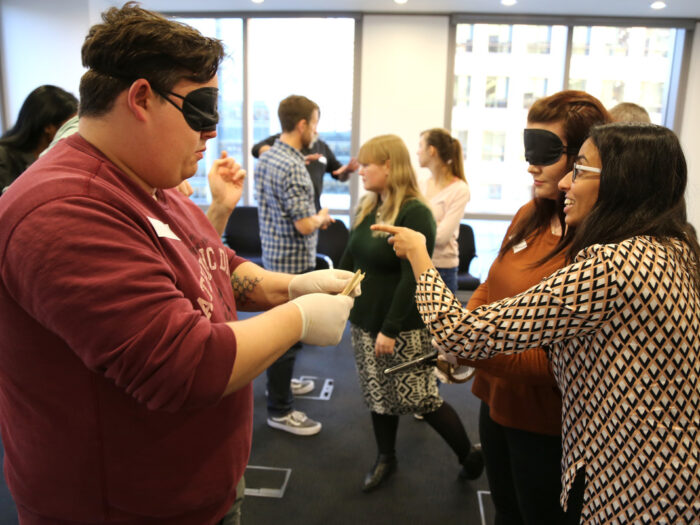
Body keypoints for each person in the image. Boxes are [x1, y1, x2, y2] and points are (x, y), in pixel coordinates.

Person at [0, 4, 358, 524]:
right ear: (141, 97)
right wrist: (298, 319)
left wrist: (293, 288)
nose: (211, 132)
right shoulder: (63, 209)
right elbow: (181, 368)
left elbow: (216, 263)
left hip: (193, 488)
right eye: (199, 110)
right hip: (125, 508)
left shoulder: (146, 181)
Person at [374, 123, 700, 524]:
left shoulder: (612, 265)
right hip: (668, 469)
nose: (564, 182)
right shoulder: (676, 244)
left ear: (621, 181)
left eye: (579, 169)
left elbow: (459, 335)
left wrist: (419, 255)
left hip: (632, 481)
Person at [454, 91, 609, 524]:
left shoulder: (599, 248)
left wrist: (469, 347)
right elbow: (492, 281)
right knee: (505, 510)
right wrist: (467, 330)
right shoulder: (531, 213)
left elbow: (565, 359)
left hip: (548, 423)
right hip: (496, 399)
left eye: (545, 153)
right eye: (529, 149)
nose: (531, 165)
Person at [339, 134, 483, 493]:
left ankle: (468, 455)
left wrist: (390, 328)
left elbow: (412, 279)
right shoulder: (369, 205)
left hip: (401, 327)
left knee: (423, 399)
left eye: (367, 164)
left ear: (389, 165)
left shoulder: (415, 211)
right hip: (365, 321)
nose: (361, 171)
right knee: (377, 394)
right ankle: (386, 456)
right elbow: (350, 255)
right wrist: (334, 296)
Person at [254, 94, 337, 436]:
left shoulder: (268, 158)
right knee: (288, 338)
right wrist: (321, 216)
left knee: (287, 335)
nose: (316, 130)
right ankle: (280, 409)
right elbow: (304, 224)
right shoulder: (294, 166)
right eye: (315, 123)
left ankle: (280, 388)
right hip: (294, 264)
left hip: (273, 256)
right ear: (302, 124)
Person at [416, 128, 470, 294]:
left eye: (420, 146)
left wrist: (418, 228)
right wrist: (433, 224)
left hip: (443, 270)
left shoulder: (460, 189)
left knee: (440, 321)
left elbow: (441, 237)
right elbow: (409, 224)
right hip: (418, 263)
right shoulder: (422, 184)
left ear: (431, 150)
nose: (417, 152)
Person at [252, 130, 357, 211]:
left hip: (312, 211)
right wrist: (291, 157)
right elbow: (256, 149)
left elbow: (338, 174)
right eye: (313, 125)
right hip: (285, 214)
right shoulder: (279, 142)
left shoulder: (321, 147)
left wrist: (346, 171)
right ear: (302, 126)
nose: (316, 131)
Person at [0, 84, 78, 190]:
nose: (74, 131)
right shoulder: (3, 157)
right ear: (49, 127)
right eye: (69, 125)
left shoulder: (58, 157)